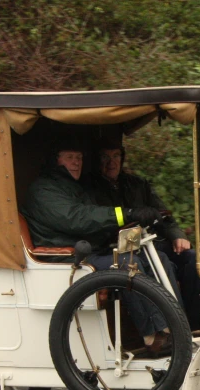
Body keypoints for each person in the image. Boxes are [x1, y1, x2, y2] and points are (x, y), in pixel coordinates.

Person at [19, 139, 181, 352]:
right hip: (65, 258)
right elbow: (78, 218)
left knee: (153, 258)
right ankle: (153, 337)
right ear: (55, 161)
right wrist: (127, 214)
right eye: (69, 158)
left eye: (79, 158)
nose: (76, 163)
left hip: (87, 250)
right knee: (128, 264)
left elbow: (94, 217)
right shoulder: (45, 190)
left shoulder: (73, 186)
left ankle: (176, 328)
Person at [89, 138, 200, 331]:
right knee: (150, 260)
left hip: (145, 241)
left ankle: (193, 323)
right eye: (105, 157)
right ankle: (173, 329)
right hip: (113, 247)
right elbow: (94, 222)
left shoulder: (137, 184)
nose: (112, 162)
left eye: (116, 156)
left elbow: (163, 213)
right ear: (97, 160)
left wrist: (176, 235)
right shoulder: (91, 188)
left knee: (191, 258)